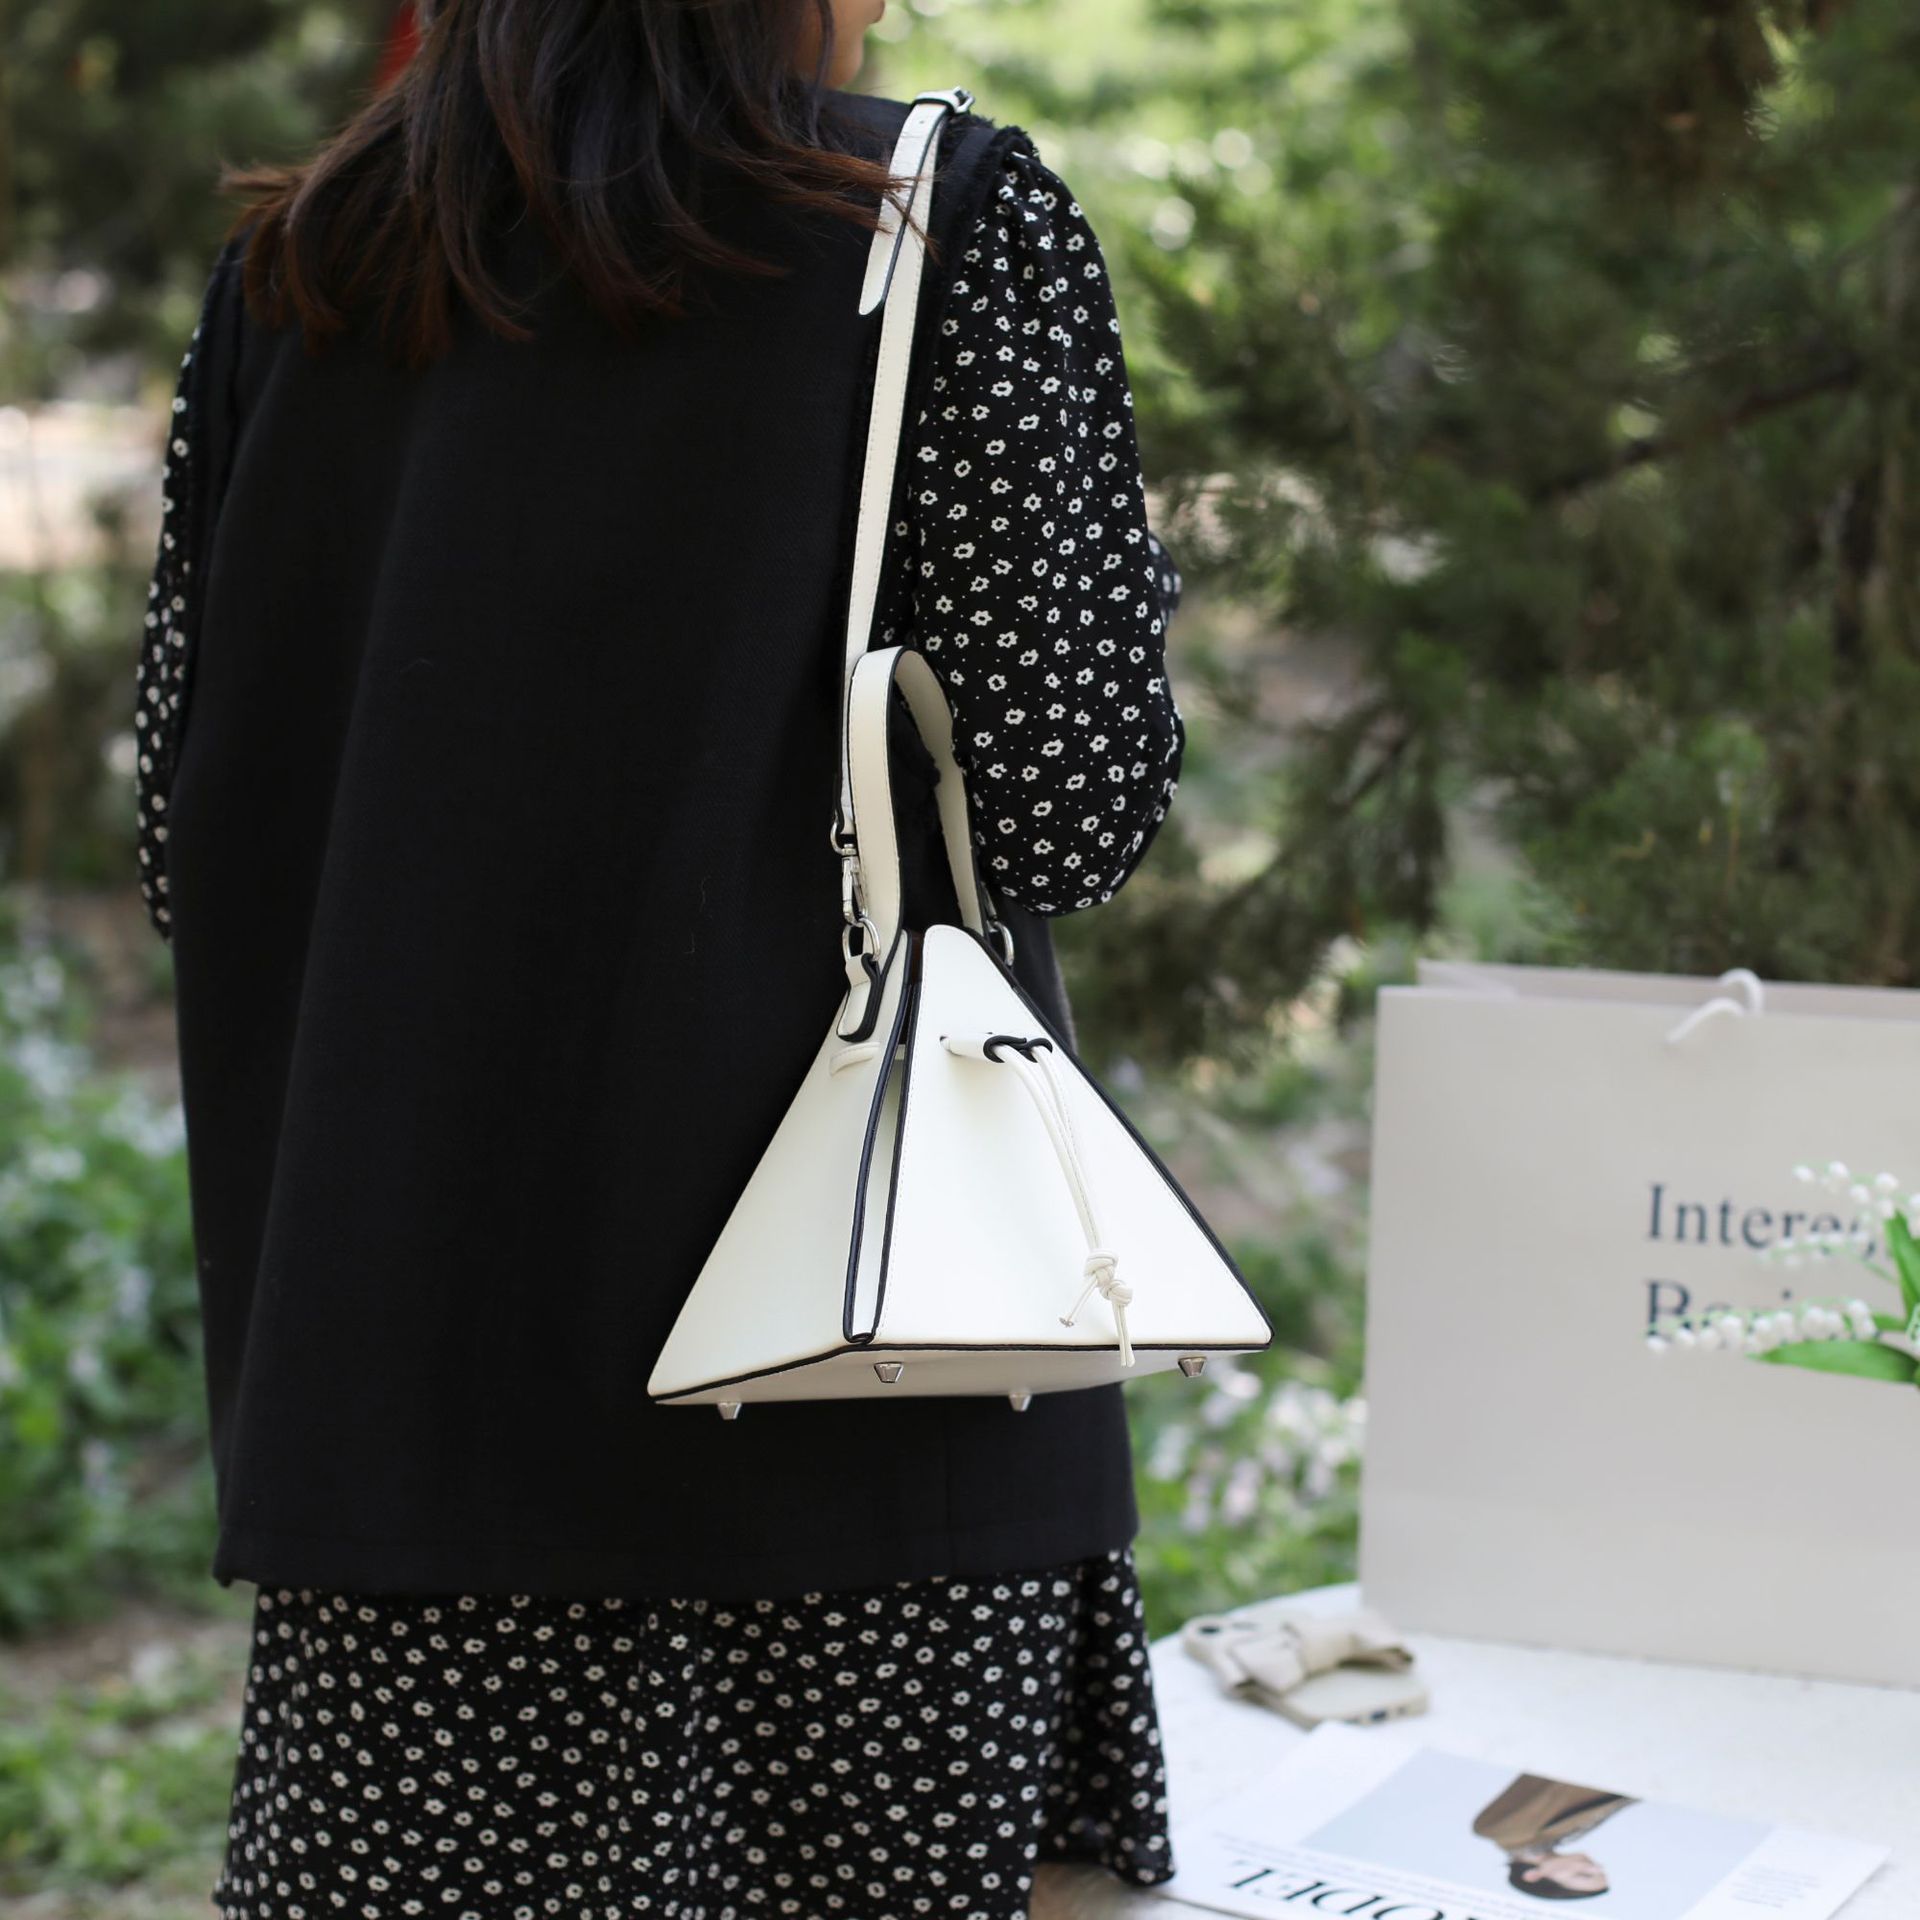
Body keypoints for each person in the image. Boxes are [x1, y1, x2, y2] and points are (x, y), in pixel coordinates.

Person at [131, 0, 1191, 1913]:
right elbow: (1064, 807)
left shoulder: (300, 270)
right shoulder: (930, 215)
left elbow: (186, 841)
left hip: (416, 1409)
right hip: (864, 1381)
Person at [1472, 1772, 1638, 1902]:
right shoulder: (1554, 1838)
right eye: (1600, 1872)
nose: (1596, 1868)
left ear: (1533, 1876)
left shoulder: (1499, 1830)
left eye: (1583, 1875)